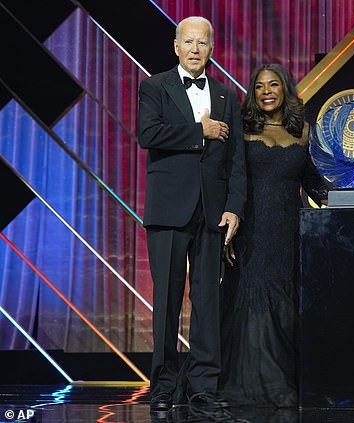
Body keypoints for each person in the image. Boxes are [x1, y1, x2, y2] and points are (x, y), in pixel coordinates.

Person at [137, 16, 246, 413]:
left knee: (207, 302)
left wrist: (234, 206)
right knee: (166, 303)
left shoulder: (225, 95)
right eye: (189, 42)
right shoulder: (154, 86)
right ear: (176, 46)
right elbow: (147, 133)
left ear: (212, 49)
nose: (196, 49)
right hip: (168, 211)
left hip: (212, 214)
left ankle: (203, 384)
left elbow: (236, 160)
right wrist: (199, 132)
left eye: (203, 43)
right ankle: (163, 384)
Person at [219, 64, 327, 408]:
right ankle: (251, 386)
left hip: (289, 233)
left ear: (285, 90)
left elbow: (313, 183)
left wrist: (349, 194)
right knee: (250, 301)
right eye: (260, 86)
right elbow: (228, 180)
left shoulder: (304, 132)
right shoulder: (242, 130)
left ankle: (283, 383)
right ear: (253, 93)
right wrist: (227, 233)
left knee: (285, 305)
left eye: (274, 85)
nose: (267, 91)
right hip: (249, 230)